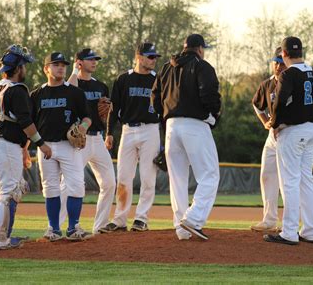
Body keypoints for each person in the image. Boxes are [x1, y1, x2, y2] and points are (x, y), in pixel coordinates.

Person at [0, 44, 52, 250]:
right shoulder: (18, 90)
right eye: (24, 66)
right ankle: (0, 239)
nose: (25, 70)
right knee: (8, 191)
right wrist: (41, 144)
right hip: (4, 145)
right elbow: (25, 122)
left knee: (15, 187)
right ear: (18, 67)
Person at [264, 36, 313, 245]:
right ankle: (310, 230)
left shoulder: (288, 75)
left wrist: (275, 124)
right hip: (310, 130)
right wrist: (311, 113)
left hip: (293, 133)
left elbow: (280, 102)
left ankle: (289, 232)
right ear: (301, 52)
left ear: (284, 54)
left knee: (290, 182)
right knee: (306, 180)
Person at [151, 34, 221, 241]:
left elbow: (155, 96)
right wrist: (214, 115)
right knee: (210, 175)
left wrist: (164, 116)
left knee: (178, 179)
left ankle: (181, 229)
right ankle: (193, 218)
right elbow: (210, 94)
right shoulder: (202, 66)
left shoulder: (166, 67)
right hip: (195, 124)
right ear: (199, 49)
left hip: (171, 126)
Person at [30, 52, 93, 241]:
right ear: (46, 68)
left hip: (68, 146)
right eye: (56, 64)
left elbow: (87, 117)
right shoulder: (36, 94)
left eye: (63, 64)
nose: (61, 67)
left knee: (76, 186)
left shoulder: (74, 92)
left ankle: (73, 228)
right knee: (50, 188)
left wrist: (82, 127)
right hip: (45, 146)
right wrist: (28, 147)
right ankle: (53, 229)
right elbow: (30, 122)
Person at [100, 42, 161, 233]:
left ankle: (141, 218)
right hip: (127, 130)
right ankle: (119, 219)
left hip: (150, 129)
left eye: (154, 57)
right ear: (138, 57)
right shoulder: (123, 79)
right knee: (124, 177)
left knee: (148, 177)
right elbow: (114, 109)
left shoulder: (158, 80)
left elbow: (164, 109)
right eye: (150, 57)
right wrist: (109, 132)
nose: (153, 60)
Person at [58, 48, 116, 234]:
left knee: (109, 183)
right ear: (80, 62)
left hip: (97, 139)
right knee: (69, 183)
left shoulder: (101, 86)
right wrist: (75, 70)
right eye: (90, 59)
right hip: (79, 141)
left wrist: (107, 118)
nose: (94, 62)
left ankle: (99, 226)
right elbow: (69, 89)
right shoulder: (74, 83)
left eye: (95, 59)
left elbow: (106, 112)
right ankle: (55, 226)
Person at [250, 47, 286, 233]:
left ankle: (289, 224)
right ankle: (269, 219)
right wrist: (265, 122)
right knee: (267, 174)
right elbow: (257, 104)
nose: (278, 65)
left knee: (288, 180)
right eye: (276, 61)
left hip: (290, 133)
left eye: (281, 61)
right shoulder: (268, 84)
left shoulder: (292, 81)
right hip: (272, 135)